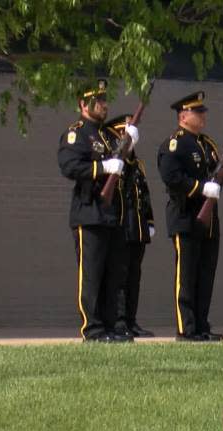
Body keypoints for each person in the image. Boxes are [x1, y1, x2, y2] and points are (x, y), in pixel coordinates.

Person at [58, 79, 133, 343]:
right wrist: (102, 169)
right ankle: (93, 329)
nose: (104, 105)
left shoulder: (106, 135)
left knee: (112, 275)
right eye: (98, 101)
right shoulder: (76, 133)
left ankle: (111, 326)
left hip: (110, 214)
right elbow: (69, 166)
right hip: (88, 213)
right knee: (91, 275)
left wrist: (127, 145)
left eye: (104, 100)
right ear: (83, 104)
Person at [157, 91, 223, 342]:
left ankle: (202, 325)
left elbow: (216, 176)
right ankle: (186, 328)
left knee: (205, 275)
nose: (202, 116)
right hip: (186, 216)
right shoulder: (175, 143)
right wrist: (199, 188)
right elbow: (172, 178)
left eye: (202, 111)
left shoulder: (208, 144)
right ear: (183, 116)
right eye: (196, 112)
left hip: (209, 221)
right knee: (187, 276)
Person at [103, 113, 155, 338]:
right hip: (122, 224)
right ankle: (119, 320)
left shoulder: (138, 163)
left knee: (134, 276)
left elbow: (144, 194)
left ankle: (131, 320)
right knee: (120, 277)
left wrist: (150, 222)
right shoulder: (117, 160)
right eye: (126, 134)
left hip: (138, 226)